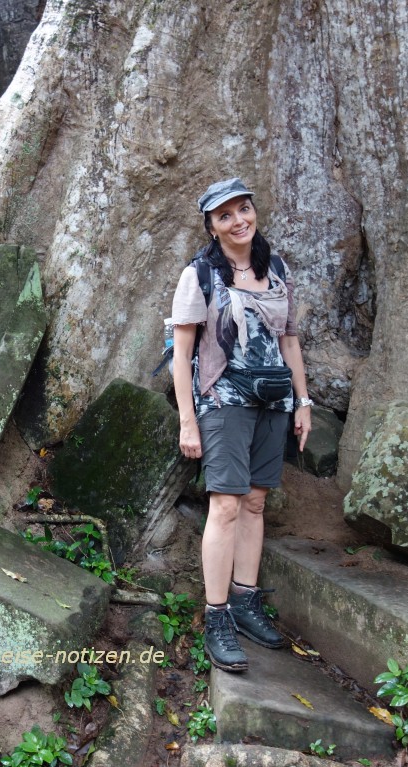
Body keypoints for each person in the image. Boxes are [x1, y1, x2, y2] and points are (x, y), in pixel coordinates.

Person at [169, 177, 312, 672]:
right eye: (225, 215)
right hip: (223, 400)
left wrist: (304, 402)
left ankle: (247, 600)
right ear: (211, 225)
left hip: (273, 400)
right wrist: (188, 421)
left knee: (255, 501)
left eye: (244, 210)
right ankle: (217, 614)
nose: (238, 221)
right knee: (226, 505)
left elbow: (289, 341)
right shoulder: (200, 274)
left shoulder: (276, 270)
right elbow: (182, 354)